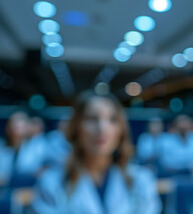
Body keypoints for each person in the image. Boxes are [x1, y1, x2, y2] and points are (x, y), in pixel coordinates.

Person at [32, 91, 161, 214]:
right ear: (76, 127)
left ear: (121, 130)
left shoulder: (142, 181)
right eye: (92, 119)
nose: (102, 129)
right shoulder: (51, 182)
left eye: (112, 120)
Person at [0, 111, 46, 185]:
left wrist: (7, 179)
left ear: (27, 128)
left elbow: (36, 174)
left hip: (27, 190)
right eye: (14, 127)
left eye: (20, 128)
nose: (17, 132)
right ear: (8, 129)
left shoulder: (36, 148)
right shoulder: (2, 148)